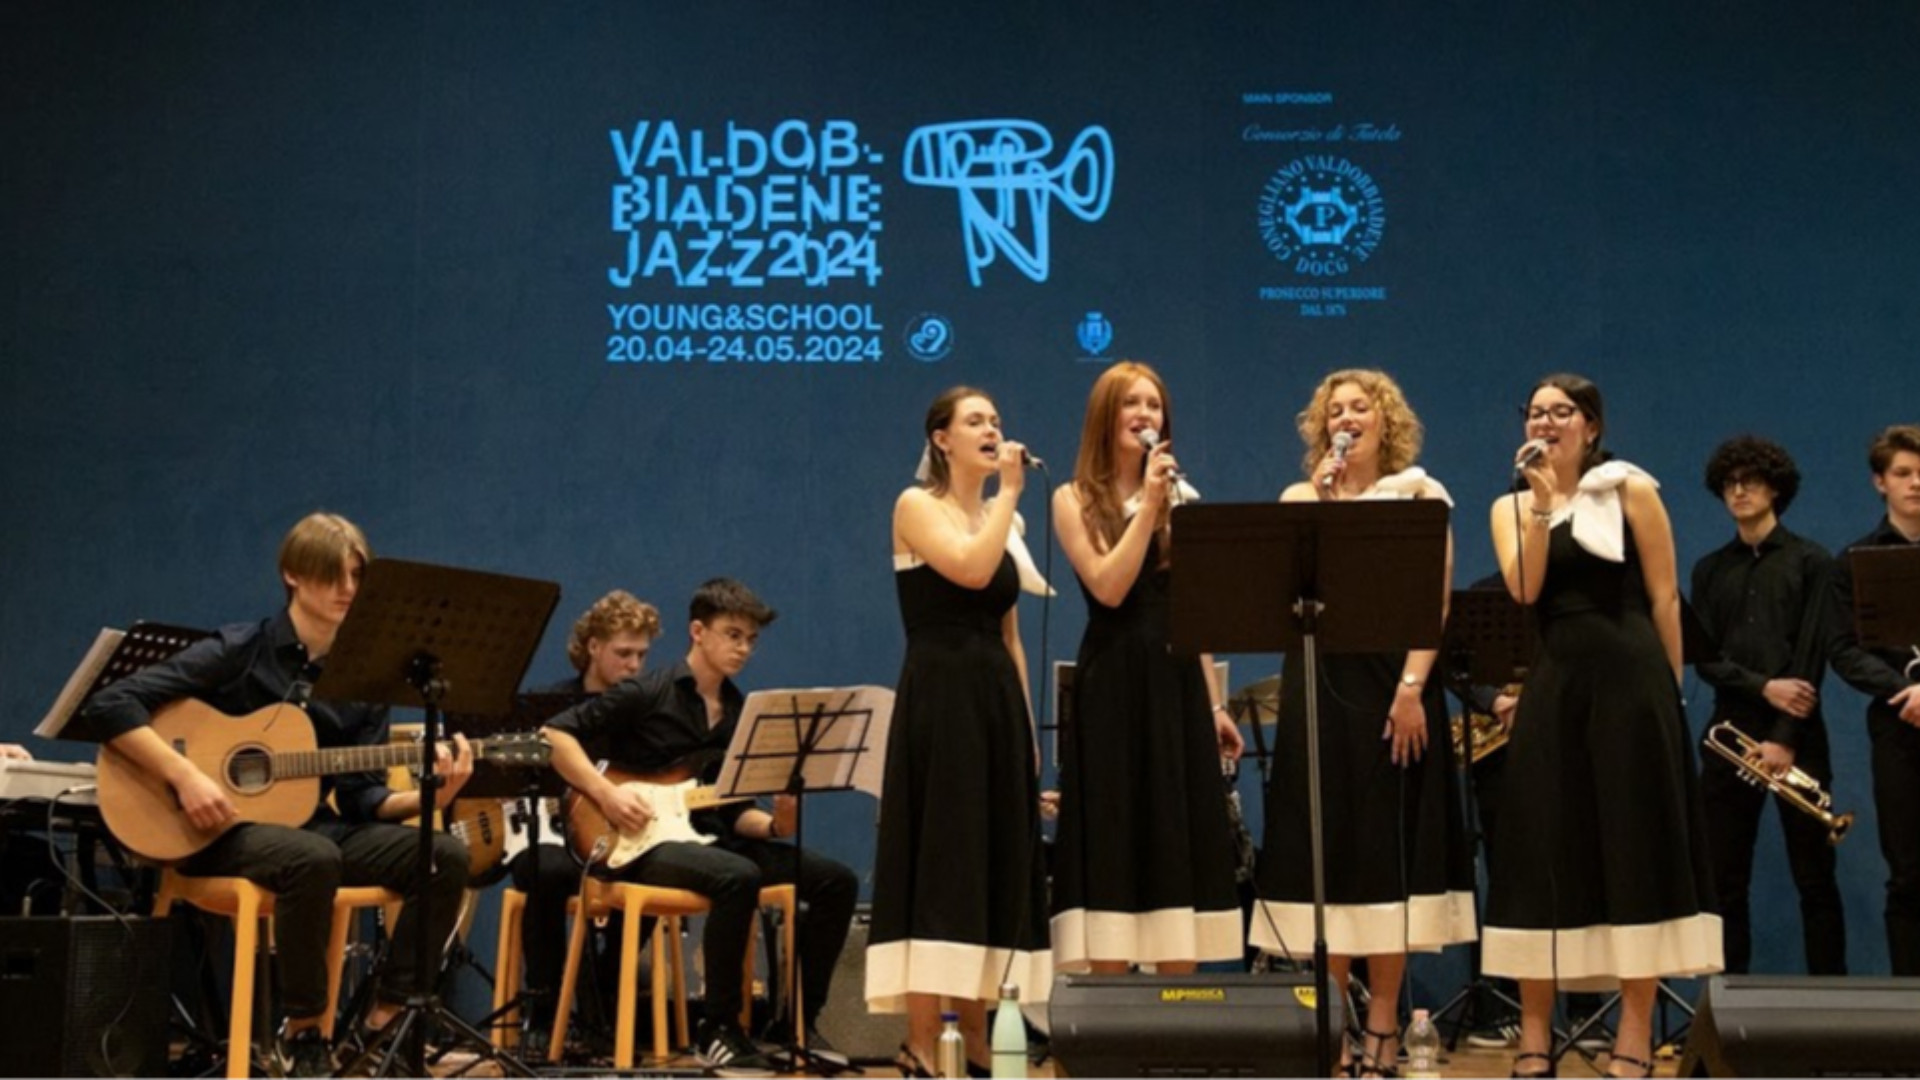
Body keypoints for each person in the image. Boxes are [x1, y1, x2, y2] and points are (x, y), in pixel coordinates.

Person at [79, 512, 475, 1078]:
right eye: (331, 575)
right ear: (293, 574)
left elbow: (361, 797)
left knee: (443, 854)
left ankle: (384, 1022)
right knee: (313, 857)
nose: (347, 589)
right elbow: (110, 703)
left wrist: (430, 798)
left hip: (307, 829)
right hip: (211, 830)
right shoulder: (241, 648)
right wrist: (185, 777)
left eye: (357, 577)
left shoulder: (363, 679)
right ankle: (306, 1031)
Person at [1484, 375, 1720, 1079]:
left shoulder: (1630, 490)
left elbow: (1664, 599)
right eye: (1535, 412)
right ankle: (1534, 1033)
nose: (1546, 422)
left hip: (1632, 678)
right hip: (1556, 682)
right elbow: (1524, 589)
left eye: (1562, 412)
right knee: (1540, 847)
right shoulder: (1510, 506)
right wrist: (1543, 505)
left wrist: (1668, 697)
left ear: (1591, 426)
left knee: (1634, 844)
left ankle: (1634, 1035)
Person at [1251, 369, 1475, 1078]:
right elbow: (1285, 593)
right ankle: (1333, 1029)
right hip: (1320, 685)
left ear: (1386, 421)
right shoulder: (1300, 498)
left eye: (1360, 408)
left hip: (1393, 687)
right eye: (1335, 411)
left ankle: (1383, 1025)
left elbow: (1434, 602)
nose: (1346, 419)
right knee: (1328, 852)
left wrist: (1412, 688)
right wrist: (1326, 502)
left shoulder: (1420, 495)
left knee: (1385, 854)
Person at [541, 579, 859, 1071]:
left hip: (708, 838)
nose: (743, 648)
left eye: (751, 640)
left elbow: (734, 812)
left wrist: (776, 824)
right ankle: (719, 1027)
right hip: (639, 843)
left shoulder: (741, 715)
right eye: (733, 634)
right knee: (737, 876)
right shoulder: (648, 691)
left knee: (836, 880)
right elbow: (554, 735)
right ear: (697, 632)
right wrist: (606, 793)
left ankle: (795, 1023)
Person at [866, 386, 1052, 1078]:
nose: (992, 429)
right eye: (975, 420)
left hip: (995, 702)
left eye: (996, 420)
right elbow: (971, 571)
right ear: (941, 439)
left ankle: (977, 1038)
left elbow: (1010, 635)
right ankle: (923, 1041)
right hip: (941, 701)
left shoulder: (1005, 522)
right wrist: (1009, 493)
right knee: (942, 861)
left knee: (989, 861)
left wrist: (1025, 727)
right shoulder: (916, 506)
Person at [1049, 361, 1244, 976]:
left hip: (1176, 681)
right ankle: (1112, 1008)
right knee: (1115, 829)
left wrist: (1215, 704)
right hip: (1114, 679)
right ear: (1106, 417)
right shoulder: (1073, 498)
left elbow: (1195, 609)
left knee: (1175, 831)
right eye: (1132, 403)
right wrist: (1148, 506)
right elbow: (1108, 586)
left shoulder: (1181, 498)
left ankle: (1175, 1009)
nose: (1145, 415)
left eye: (1154, 405)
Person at [1691, 436, 1847, 975]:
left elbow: (1811, 655)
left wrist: (1783, 736)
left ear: (1775, 488)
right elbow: (1705, 657)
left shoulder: (1813, 561)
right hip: (1730, 728)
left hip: (1798, 733)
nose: (1739, 491)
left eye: (1751, 481)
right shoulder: (1709, 570)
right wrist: (1763, 687)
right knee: (1723, 878)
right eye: (1730, 483)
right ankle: (1727, 1002)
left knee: (1815, 877)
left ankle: (1832, 1001)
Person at [506, 590, 662, 1051]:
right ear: (593, 647)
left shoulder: (644, 712)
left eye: (642, 655)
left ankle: (607, 997)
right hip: (551, 838)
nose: (634, 665)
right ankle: (544, 1006)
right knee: (544, 868)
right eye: (624, 653)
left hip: (613, 843)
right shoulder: (551, 707)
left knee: (659, 868)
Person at [1826, 423, 1920, 975]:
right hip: (1899, 726)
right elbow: (1843, 649)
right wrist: (1903, 690)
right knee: (1908, 871)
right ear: (1880, 482)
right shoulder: (1855, 561)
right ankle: (1912, 1006)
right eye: (1903, 474)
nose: (1916, 484)